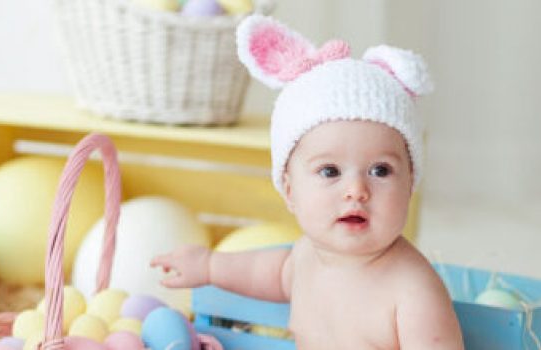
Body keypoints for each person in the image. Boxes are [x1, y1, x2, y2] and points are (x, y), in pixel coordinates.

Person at [151, 15, 464, 349]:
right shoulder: (303, 259)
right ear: (290, 191)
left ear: (410, 183)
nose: (356, 190)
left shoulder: (413, 290)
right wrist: (210, 265)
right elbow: (265, 271)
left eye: (380, 170)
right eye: (330, 171)